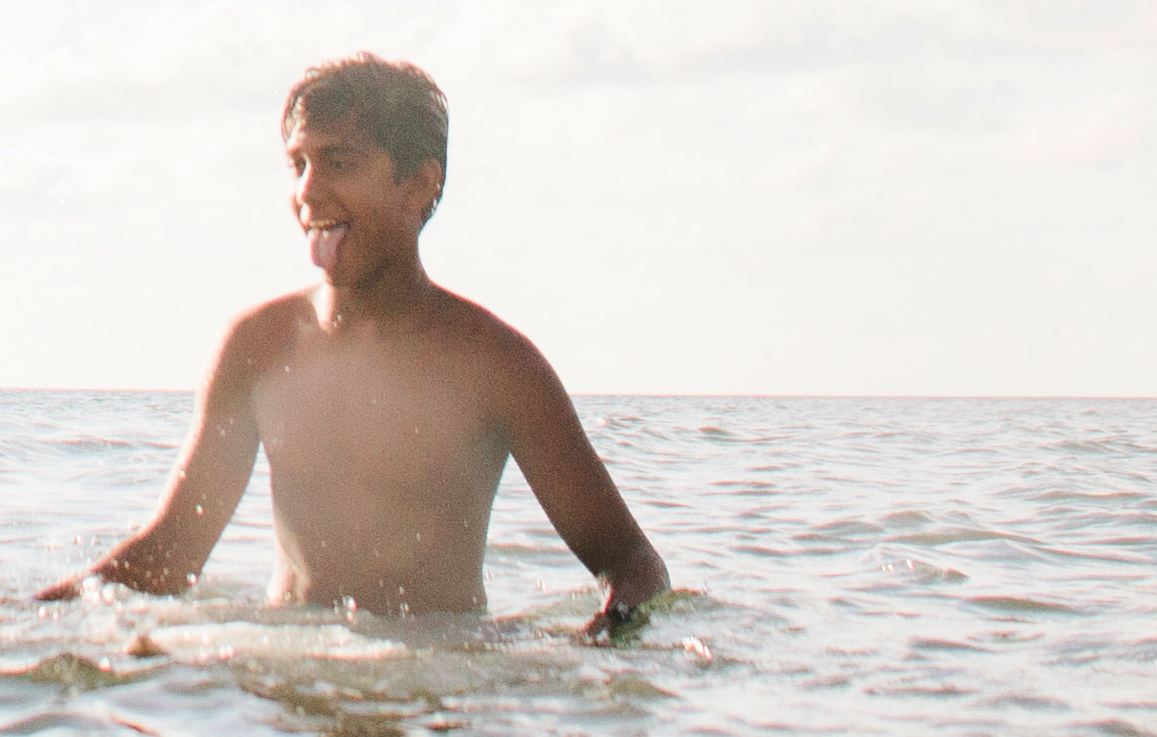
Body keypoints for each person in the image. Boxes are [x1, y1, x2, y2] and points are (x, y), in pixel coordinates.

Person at [38, 55, 679, 636]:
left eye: (338, 162)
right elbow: (170, 556)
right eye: (298, 163)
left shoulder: (494, 365)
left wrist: (606, 636)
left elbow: (632, 564)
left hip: (436, 678)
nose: (308, 191)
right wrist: (37, 625)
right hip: (289, 674)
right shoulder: (258, 347)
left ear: (419, 185)